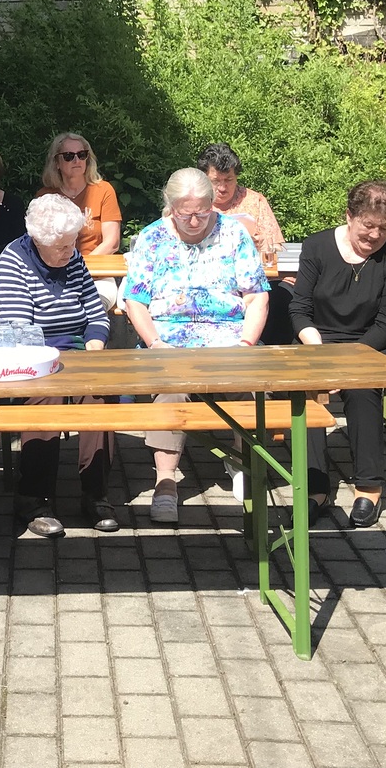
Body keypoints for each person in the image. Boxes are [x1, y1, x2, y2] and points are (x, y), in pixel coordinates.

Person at [122, 167, 269, 524]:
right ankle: (165, 481)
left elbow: (257, 296)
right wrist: (155, 343)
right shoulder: (152, 237)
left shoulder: (233, 233)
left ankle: (243, 464)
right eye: (184, 213)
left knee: (248, 384)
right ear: (170, 206)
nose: (193, 221)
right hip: (168, 340)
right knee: (171, 388)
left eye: (201, 213)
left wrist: (246, 343)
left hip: (229, 336)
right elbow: (135, 301)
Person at [289, 180, 386, 528]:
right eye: (368, 225)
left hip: (379, 341)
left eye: (384, 228)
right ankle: (314, 487)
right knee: (307, 388)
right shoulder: (316, 247)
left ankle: (369, 485)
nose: (375, 235)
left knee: (362, 386)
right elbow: (299, 309)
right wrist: (321, 355)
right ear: (349, 216)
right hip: (321, 340)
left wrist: (344, 365)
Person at [0, 195, 116, 534]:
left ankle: (95, 493)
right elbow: (20, 334)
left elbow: (95, 312)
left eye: (73, 243)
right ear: (37, 241)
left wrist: (94, 344)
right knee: (47, 395)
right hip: (25, 355)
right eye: (61, 247)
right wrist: (63, 363)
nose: (70, 252)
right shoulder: (14, 261)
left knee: (99, 393)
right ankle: (33, 499)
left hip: (74, 349)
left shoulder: (72, 257)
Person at [37, 132, 122, 257]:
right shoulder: (45, 197)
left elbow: (112, 243)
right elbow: (40, 243)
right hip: (57, 265)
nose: (77, 160)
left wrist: (82, 265)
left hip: (96, 265)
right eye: (68, 156)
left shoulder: (104, 190)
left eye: (82, 155)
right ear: (56, 163)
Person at [197, 143, 285, 259]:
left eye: (229, 180)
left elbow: (276, 247)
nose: (222, 188)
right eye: (216, 181)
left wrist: (261, 244)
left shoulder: (255, 201)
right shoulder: (194, 203)